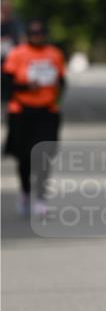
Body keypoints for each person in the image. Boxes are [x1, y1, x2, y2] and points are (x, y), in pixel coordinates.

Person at [2, 19, 66, 217]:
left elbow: (62, 81)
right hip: (21, 112)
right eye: (33, 33)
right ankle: (25, 191)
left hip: (47, 111)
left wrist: (55, 95)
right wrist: (26, 87)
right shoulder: (17, 54)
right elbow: (6, 86)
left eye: (40, 33)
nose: (37, 37)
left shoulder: (54, 54)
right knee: (24, 157)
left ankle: (40, 197)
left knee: (44, 155)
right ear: (28, 35)